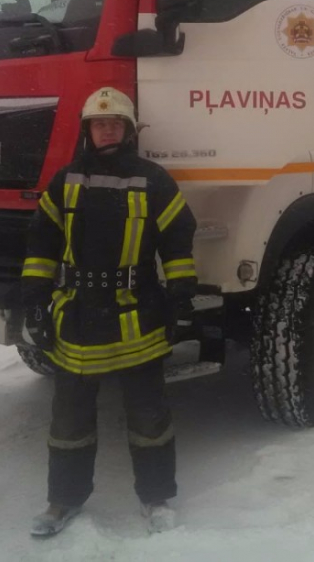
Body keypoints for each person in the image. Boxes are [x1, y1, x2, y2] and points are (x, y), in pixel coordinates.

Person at [21, 87, 198, 538]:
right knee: (69, 419)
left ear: (129, 131)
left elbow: (178, 241)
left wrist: (180, 298)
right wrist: (36, 304)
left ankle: (156, 497)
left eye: (115, 124)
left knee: (148, 415)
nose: (107, 130)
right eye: (100, 125)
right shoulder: (65, 181)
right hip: (78, 315)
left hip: (138, 312)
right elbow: (41, 245)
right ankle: (63, 501)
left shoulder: (154, 179)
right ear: (88, 131)